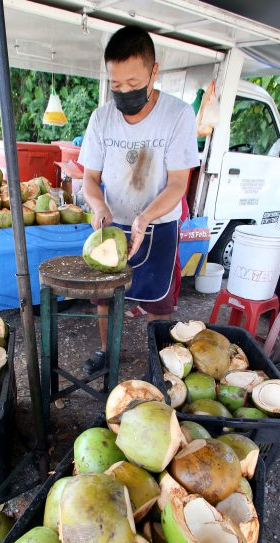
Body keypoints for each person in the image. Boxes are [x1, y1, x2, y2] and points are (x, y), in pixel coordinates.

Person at [78, 26, 200, 374]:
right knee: (105, 297)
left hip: (158, 225)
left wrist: (145, 217)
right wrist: (98, 205)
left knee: (160, 301)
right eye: (116, 86)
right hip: (112, 224)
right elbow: (89, 178)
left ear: (153, 72)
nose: (124, 93)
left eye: (133, 84)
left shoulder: (177, 115)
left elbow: (178, 184)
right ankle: (106, 352)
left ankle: (161, 361)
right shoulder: (102, 118)